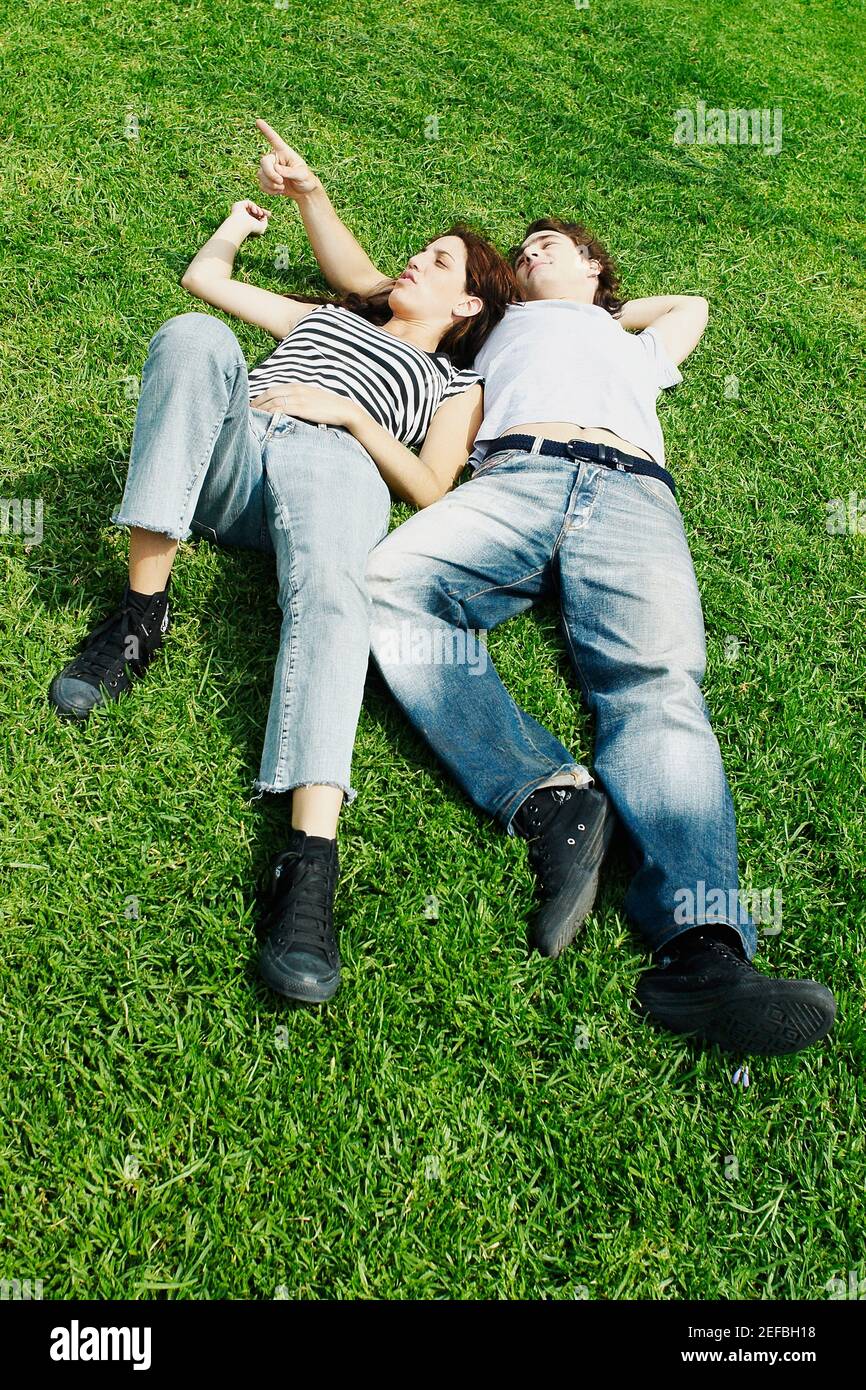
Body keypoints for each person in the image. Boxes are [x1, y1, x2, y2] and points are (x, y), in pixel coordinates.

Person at [264, 149, 836, 1054]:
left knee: (656, 687)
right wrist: (314, 199)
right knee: (386, 582)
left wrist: (596, 305)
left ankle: (705, 957)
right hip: (514, 476)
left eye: (550, 247)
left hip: (634, 493)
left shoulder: (632, 342)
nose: (530, 255)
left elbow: (691, 307)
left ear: (597, 270)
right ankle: (549, 796)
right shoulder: (493, 326)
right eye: (524, 251)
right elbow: (365, 278)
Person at [48, 120, 516, 1006]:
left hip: (334, 460)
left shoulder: (457, 385)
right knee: (193, 334)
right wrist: (238, 225)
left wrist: (347, 416)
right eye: (420, 250)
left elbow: (430, 487)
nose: (417, 259)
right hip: (236, 456)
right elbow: (206, 284)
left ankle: (308, 867)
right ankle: (141, 616)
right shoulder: (329, 315)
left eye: (440, 261)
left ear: (467, 308)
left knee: (336, 599)